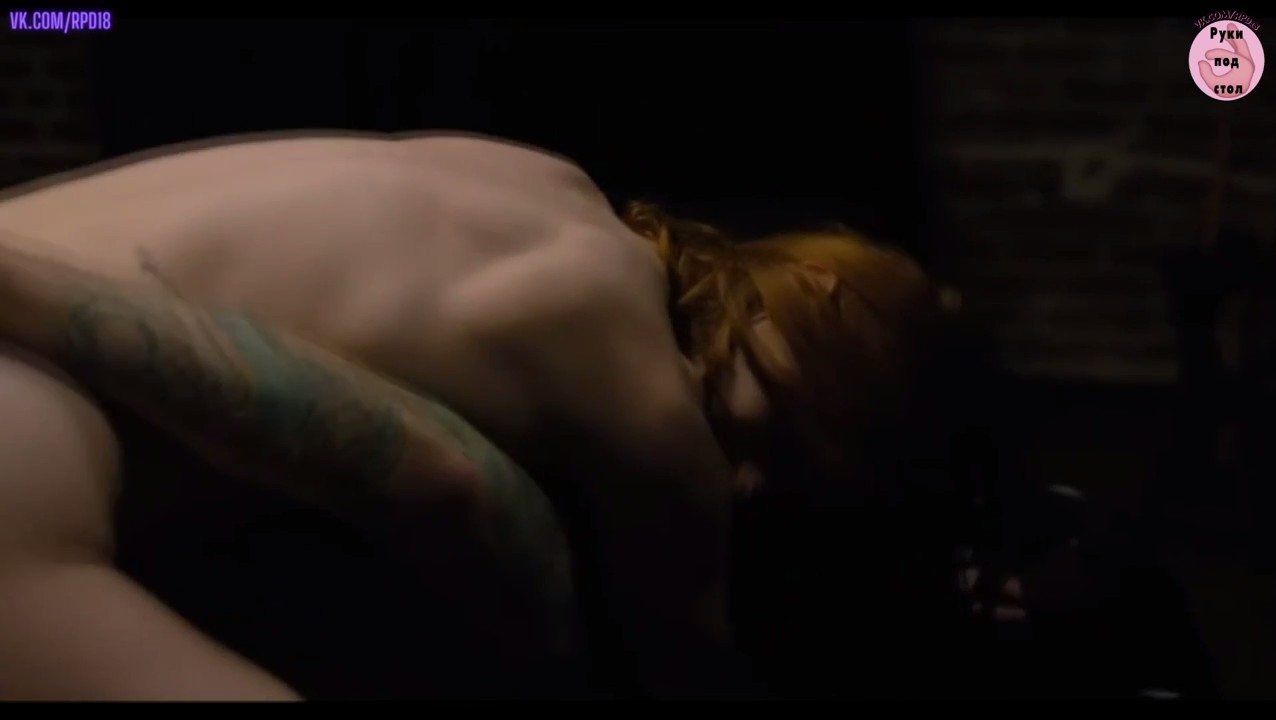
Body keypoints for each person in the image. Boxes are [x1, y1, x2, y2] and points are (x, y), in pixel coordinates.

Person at [0, 131, 940, 699]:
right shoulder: (653, 404)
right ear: (815, 317)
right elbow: (687, 668)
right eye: (812, 450)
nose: (755, 486)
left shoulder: (542, 182)